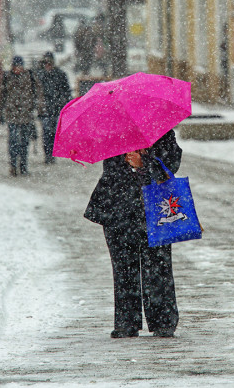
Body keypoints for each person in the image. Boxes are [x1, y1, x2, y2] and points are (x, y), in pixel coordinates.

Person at [84, 129, 182, 339]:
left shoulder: (160, 130)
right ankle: (126, 322)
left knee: (158, 266)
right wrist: (126, 163)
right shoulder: (112, 129)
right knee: (123, 267)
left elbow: (172, 163)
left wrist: (145, 163)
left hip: (155, 208)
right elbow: (110, 169)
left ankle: (163, 321)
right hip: (118, 207)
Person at [0, 56, 37, 176]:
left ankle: (23, 166)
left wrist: (35, 107)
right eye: (16, 66)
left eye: (20, 66)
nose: (18, 69)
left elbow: (36, 94)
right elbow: (2, 96)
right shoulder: (7, 77)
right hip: (12, 114)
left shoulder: (30, 76)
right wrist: (0, 112)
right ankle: (13, 165)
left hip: (26, 114)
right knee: (13, 141)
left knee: (24, 142)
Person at [32, 52, 72, 164]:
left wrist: (65, 103)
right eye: (46, 63)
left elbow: (67, 91)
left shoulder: (60, 75)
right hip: (45, 109)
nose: (48, 65)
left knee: (53, 133)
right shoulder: (39, 75)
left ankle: (51, 154)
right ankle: (48, 155)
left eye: (49, 63)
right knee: (46, 132)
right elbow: (35, 92)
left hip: (56, 108)